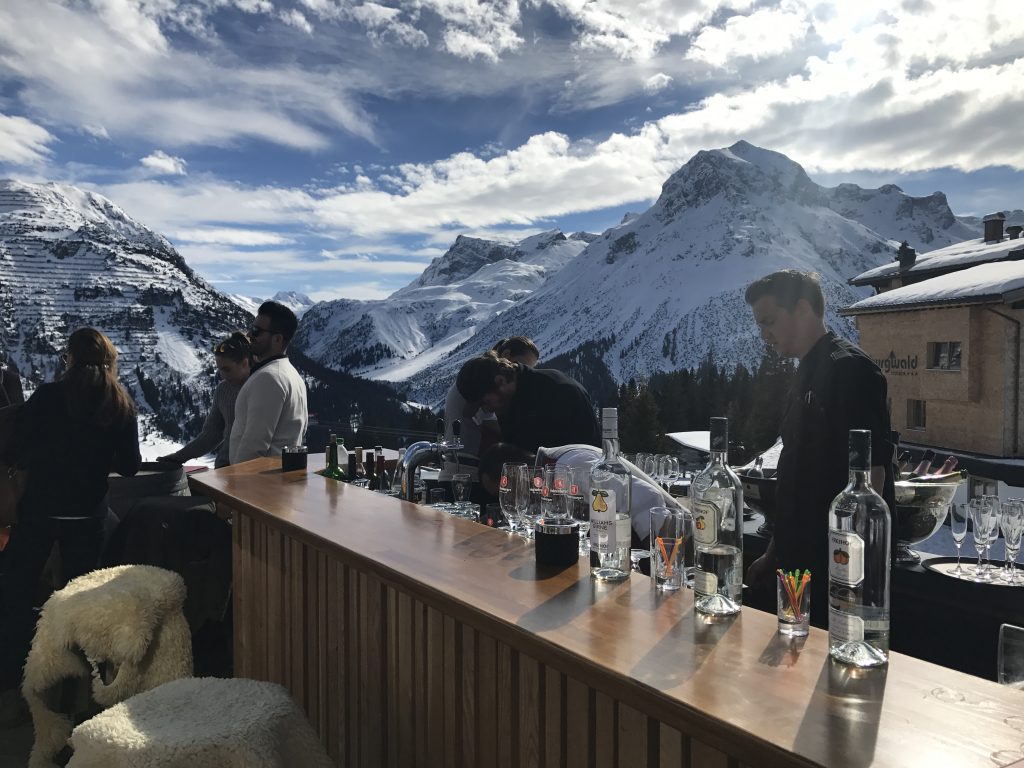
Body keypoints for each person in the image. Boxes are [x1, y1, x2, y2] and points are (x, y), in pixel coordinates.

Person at [743, 270, 895, 625]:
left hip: (838, 578)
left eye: (769, 321)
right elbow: (798, 474)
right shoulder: (805, 372)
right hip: (797, 567)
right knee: (790, 665)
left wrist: (853, 582)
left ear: (802, 308)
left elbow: (870, 481)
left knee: (829, 673)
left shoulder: (851, 371)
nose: (764, 335)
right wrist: (773, 554)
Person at [0, 328, 141, 695]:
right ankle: (81, 686)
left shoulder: (47, 397)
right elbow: (129, 466)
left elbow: (13, 447)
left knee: (17, 590)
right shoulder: (120, 403)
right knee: (83, 601)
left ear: (70, 358)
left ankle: (16, 680)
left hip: (39, 513)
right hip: (88, 515)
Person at [478, 442, 683, 543]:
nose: (510, 506)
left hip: (675, 536)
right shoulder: (551, 471)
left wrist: (659, 564)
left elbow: (647, 498)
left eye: (506, 493)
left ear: (518, 477)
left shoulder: (569, 465)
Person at [455, 352, 599, 455]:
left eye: (485, 402)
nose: (486, 410)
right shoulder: (509, 404)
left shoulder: (558, 391)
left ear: (500, 381)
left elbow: (586, 455)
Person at [441, 336, 540, 483]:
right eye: (521, 365)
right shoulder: (482, 385)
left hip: (457, 468)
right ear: (506, 356)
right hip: (467, 472)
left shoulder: (476, 374)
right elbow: (496, 427)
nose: (521, 373)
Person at [157, 332, 252, 468]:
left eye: (227, 369)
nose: (222, 375)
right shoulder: (223, 390)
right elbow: (211, 434)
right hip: (225, 468)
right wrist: (179, 457)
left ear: (245, 363)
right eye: (219, 369)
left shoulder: (260, 386)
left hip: (251, 471)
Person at [229, 301, 308, 464]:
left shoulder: (269, 378)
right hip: (279, 479)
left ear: (277, 339)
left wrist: (236, 483)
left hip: (258, 484)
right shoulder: (292, 375)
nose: (249, 335)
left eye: (257, 331)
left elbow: (254, 445)